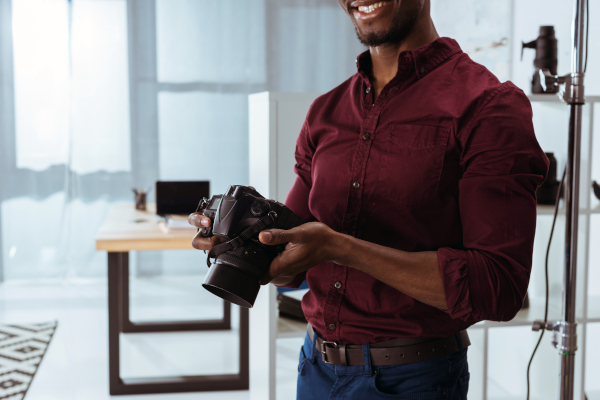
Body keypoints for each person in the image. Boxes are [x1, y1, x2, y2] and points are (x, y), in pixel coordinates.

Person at [189, 0, 549, 398]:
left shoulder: (488, 106)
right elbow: (291, 269)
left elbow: (497, 287)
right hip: (315, 370)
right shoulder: (324, 113)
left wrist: (341, 248)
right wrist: (245, 240)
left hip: (416, 381)